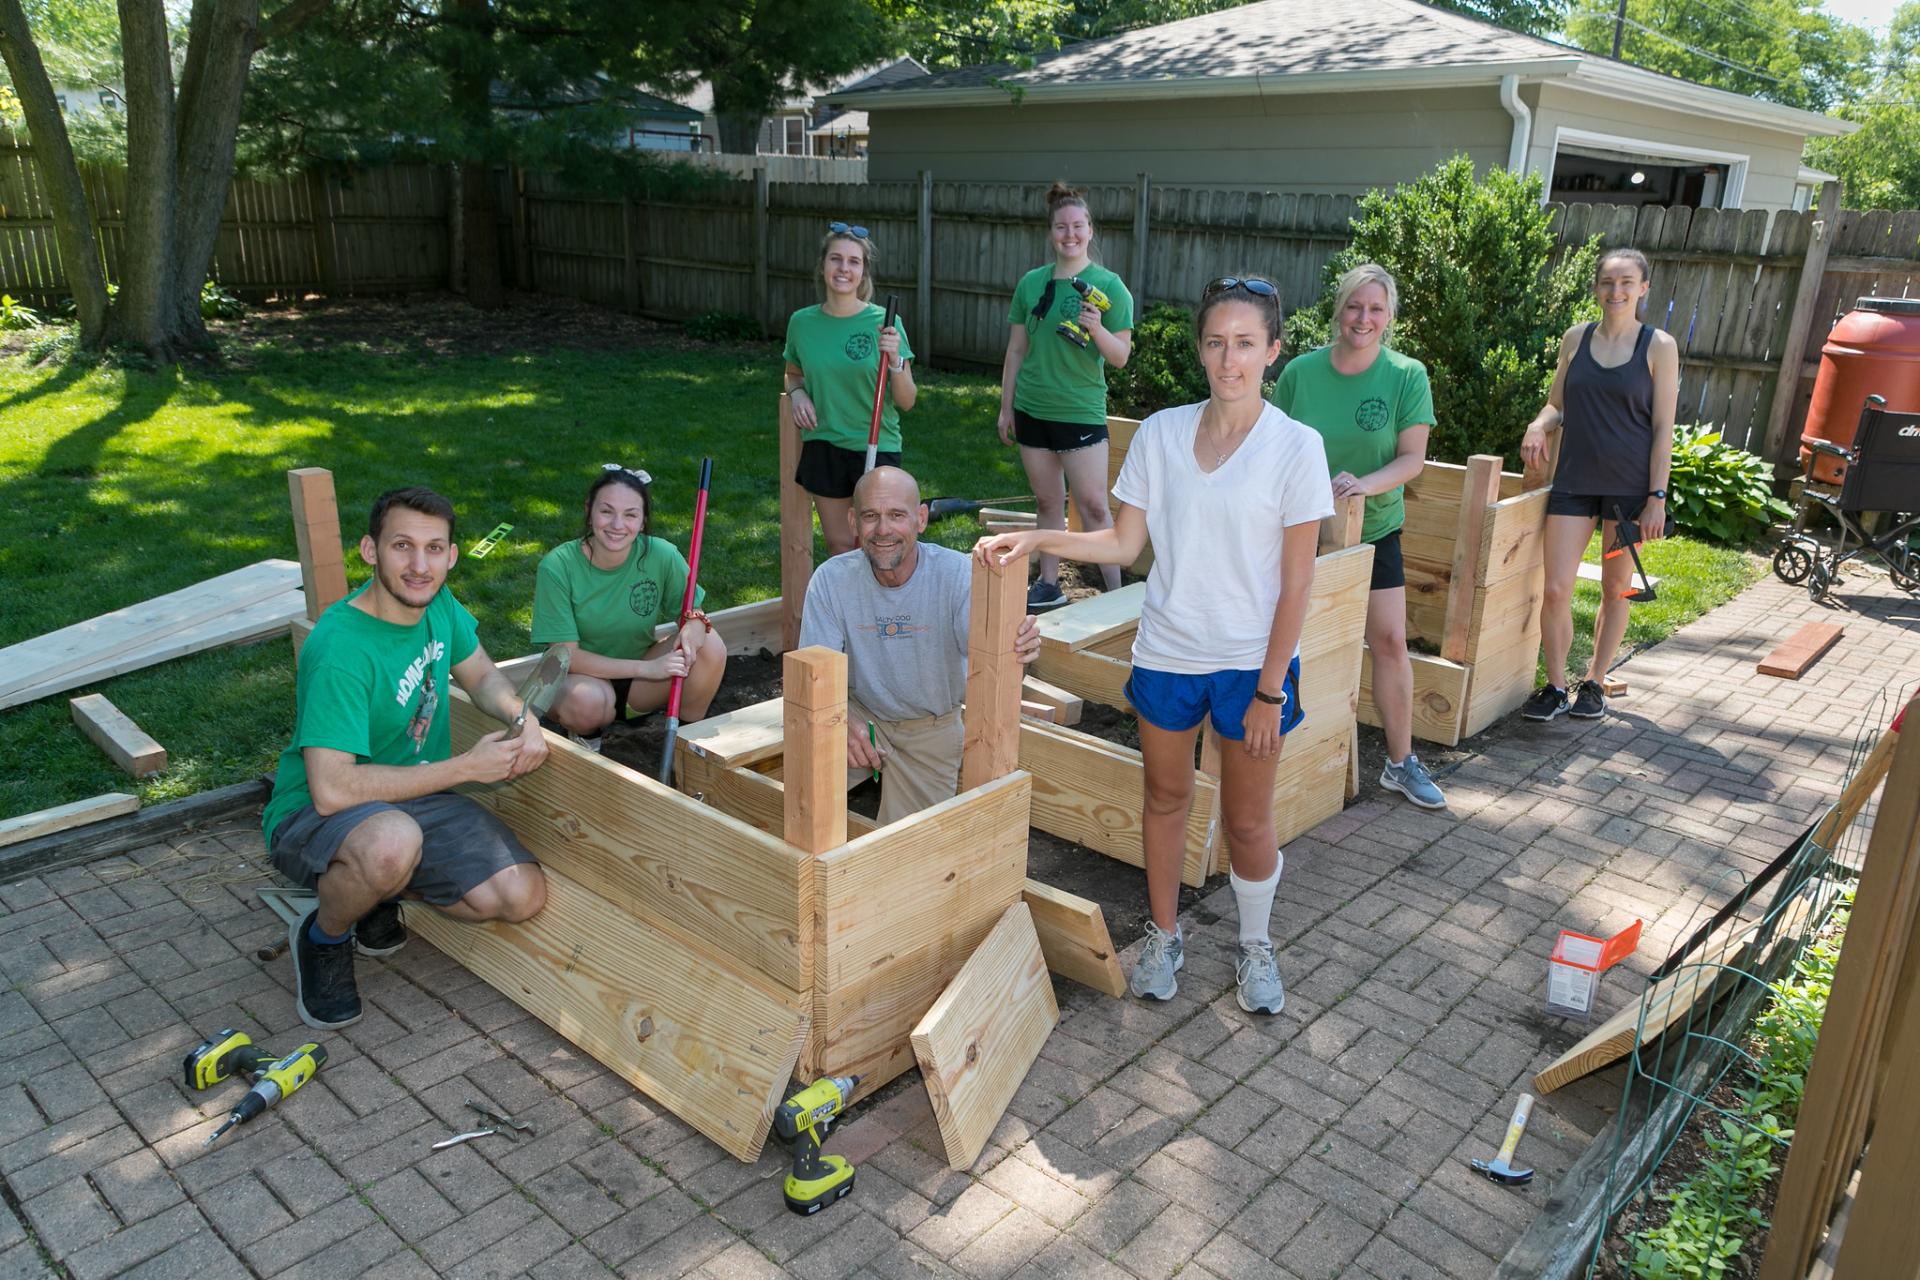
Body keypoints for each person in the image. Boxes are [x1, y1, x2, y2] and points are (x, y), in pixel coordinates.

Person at [978, 277, 1332, 1016]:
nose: (1228, 359)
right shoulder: (1163, 433)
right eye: (1214, 342)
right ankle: (1165, 933)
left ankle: (1255, 943)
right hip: (1168, 651)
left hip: (1250, 666)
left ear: (1272, 350)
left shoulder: (1298, 447)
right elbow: (1125, 542)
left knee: (1247, 822)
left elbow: (1298, 585)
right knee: (1165, 797)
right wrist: (1042, 534)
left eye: (1244, 343)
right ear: (1200, 349)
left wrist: (1272, 688)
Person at [263, 486, 550, 1032]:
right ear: (371, 551)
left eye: (434, 548)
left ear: (452, 555)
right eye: (402, 546)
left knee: (520, 895)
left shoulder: (437, 604)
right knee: (390, 844)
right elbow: (332, 789)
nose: (420, 566)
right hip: (314, 813)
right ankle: (325, 935)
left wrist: (521, 715)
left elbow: (483, 676)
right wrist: (465, 768)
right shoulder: (341, 649)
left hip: (415, 794)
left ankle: (374, 892)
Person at [1273, 263, 1444, 810]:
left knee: (1390, 641)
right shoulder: (1300, 372)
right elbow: (1271, 446)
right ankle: (1281, 754)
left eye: (1375, 308)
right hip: (1299, 531)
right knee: (1288, 641)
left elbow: (1412, 458)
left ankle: (1400, 762)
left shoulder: (1405, 375)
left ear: (1389, 316)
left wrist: (1360, 486)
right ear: (1338, 310)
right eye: (1353, 306)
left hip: (1373, 532)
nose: (1363, 318)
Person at [800, 466, 1043, 827]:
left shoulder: (956, 575)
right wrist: (840, 716)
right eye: (871, 516)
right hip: (860, 715)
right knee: (803, 796)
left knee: (908, 853)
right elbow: (812, 672)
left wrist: (1017, 646)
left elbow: (990, 656)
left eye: (897, 515)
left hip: (930, 727)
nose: (883, 530)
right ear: (853, 522)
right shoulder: (832, 581)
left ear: (921, 519)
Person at [1519, 248, 1678, 723]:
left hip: (1629, 496)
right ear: (1596, 288)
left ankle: (1594, 681)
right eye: (1608, 282)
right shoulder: (1576, 338)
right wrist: (1537, 424)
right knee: (1556, 589)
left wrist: (1657, 498)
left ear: (1643, 288)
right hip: (1574, 484)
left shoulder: (1659, 347)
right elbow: (1556, 406)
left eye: (1627, 282)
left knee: (1616, 589)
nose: (1617, 291)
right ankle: (1554, 685)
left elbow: (1663, 428)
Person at [996, 182, 1136, 610]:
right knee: (1047, 501)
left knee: (1094, 506)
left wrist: (1096, 329)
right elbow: (1017, 349)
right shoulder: (1031, 284)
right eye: (1061, 227)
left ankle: (1117, 595)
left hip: (1079, 412)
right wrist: (1006, 407)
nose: (1069, 234)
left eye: (1077, 226)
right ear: (1050, 232)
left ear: (1091, 230)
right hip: (1032, 409)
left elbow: (1121, 358)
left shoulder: (1110, 287)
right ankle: (1049, 584)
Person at [532, 465, 727, 749]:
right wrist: (650, 669)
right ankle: (588, 739)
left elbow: (693, 614)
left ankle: (687, 741)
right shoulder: (557, 567)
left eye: (630, 515)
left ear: (643, 520)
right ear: (589, 511)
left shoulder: (662, 554)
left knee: (711, 645)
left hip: (640, 684)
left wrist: (694, 629)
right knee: (588, 702)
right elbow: (566, 657)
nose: (617, 525)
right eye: (607, 511)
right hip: (579, 682)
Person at [784, 222, 917, 556]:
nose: (844, 268)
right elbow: (792, 373)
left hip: (875, 445)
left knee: (880, 546)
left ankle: (886, 608)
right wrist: (797, 393)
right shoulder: (801, 323)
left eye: (854, 261)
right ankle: (849, 610)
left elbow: (907, 400)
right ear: (823, 265)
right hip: (825, 444)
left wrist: (896, 360)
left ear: (863, 272)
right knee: (841, 545)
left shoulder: (885, 322)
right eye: (836, 259)